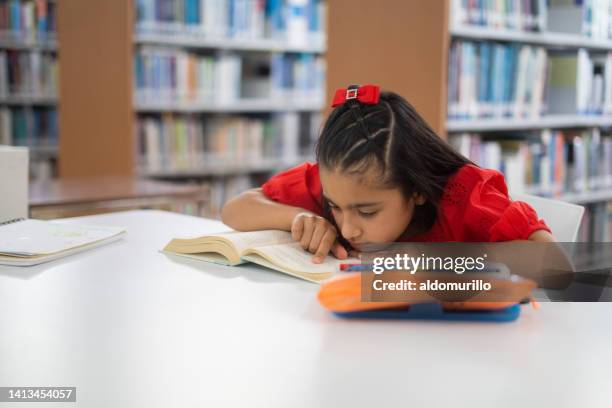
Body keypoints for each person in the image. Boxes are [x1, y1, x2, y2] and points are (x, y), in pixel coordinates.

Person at [221, 84, 554, 264]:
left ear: (417, 189)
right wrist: (298, 218)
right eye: (334, 206)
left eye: (367, 211)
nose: (347, 227)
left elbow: (555, 265)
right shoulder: (342, 181)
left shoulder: (465, 197)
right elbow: (235, 209)